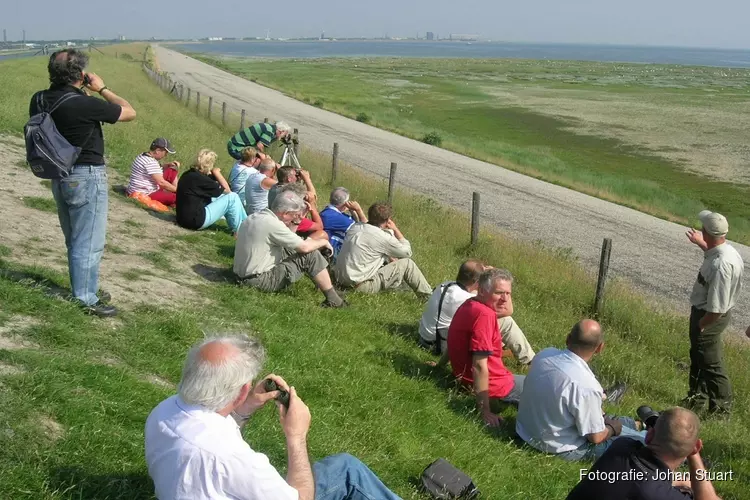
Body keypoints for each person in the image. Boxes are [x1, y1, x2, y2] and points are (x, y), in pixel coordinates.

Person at [145, 334, 402, 500]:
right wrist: (296, 436)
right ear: (243, 388)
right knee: (348, 471)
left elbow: (210, 434)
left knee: (342, 467)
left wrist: (244, 408)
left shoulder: (165, 411)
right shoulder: (232, 457)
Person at [29, 49, 136, 317]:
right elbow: (129, 112)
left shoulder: (39, 99)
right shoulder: (84, 104)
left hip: (58, 173)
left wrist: (81, 92)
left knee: (75, 238)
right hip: (86, 174)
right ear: (81, 74)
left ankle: (85, 286)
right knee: (88, 241)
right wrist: (102, 88)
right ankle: (86, 299)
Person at [516, 319, 646, 461]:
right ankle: (651, 435)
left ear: (568, 339)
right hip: (557, 447)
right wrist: (613, 429)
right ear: (600, 348)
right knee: (637, 444)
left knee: (610, 419)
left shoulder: (544, 355)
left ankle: (641, 425)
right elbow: (595, 437)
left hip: (525, 431)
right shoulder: (587, 386)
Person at [567, 407, 721, 500]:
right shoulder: (665, 496)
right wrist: (694, 455)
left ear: (649, 435)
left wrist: (677, 482)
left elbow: (634, 479)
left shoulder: (621, 447)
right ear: (696, 447)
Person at [233, 191, 346, 308]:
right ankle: (334, 299)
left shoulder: (256, 217)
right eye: (294, 215)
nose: (294, 218)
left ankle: (329, 290)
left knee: (295, 250)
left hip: (242, 275)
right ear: (286, 214)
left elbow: (291, 239)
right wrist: (324, 241)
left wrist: (299, 219)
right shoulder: (273, 225)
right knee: (310, 255)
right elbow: (305, 247)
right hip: (258, 280)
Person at [446, 269, 526, 427]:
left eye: (508, 293)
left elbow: (453, 341)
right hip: (495, 389)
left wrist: (441, 365)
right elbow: (479, 365)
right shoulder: (485, 316)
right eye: (499, 293)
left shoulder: (469, 305)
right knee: (547, 389)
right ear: (482, 290)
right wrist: (485, 411)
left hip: (465, 380)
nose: (505, 299)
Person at [421, 260, 536, 367]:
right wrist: (498, 278)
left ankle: (504, 351)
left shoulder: (446, 285)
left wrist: (486, 276)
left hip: (426, 339)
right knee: (505, 321)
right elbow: (508, 311)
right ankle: (529, 361)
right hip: (440, 346)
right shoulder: (468, 300)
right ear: (477, 282)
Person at [684, 210, 743, 415]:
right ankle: (695, 400)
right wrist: (701, 243)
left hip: (708, 318)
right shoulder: (726, 252)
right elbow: (712, 253)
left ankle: (720, 411)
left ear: (706, 231)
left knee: (711, 365)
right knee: (700, 358)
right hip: (707, 315)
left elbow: (716, 309)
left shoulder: (722, 265)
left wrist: (702, 325)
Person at [335, 202, 432, 297]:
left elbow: (366, 225)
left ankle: (400, 285)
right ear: (387, 220)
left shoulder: (355, 227)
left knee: (386, 256)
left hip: (340, 280)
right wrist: (395, 229)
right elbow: (407, 252)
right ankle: (428, 295)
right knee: (407, 264)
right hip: (360, 286)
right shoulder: (382, 237)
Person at [175, 149, 247, 234]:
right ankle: (240, 231)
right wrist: (217, 173)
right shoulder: (203, 179)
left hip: (182, 218)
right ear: (209, 164)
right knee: (232, 197)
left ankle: (246, 223)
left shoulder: (188, 174)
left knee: (225, 197)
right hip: (195, 221)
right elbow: (227, 190)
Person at [126, 138, 180, 207]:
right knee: (176, 198)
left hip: (138, 189)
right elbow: (161, 182)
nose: (166, 155)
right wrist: (179, 191)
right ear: (157, 151)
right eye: (165, 152)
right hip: (146, 193)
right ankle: (178, 194)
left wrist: (166, 166)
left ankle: (175, 194)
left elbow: (153, 170)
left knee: (171, 171)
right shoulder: (150, 162)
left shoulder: (143, 155)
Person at [320, 187, 368, 258]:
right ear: (345, 203)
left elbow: (357, 223)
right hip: (335, 252)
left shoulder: (331, 212)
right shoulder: (334, 216)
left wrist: (352, 211)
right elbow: (367, 229)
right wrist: (359, 210)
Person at [227, 120, 292, 161]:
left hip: (235, 145)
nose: (284, 137)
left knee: (257, 160)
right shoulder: (269, 131)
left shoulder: (269, 128)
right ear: (281, 131)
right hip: (236, 148)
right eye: (285, 134)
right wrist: (265, 157)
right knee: (258, 163)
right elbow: (260, 146)